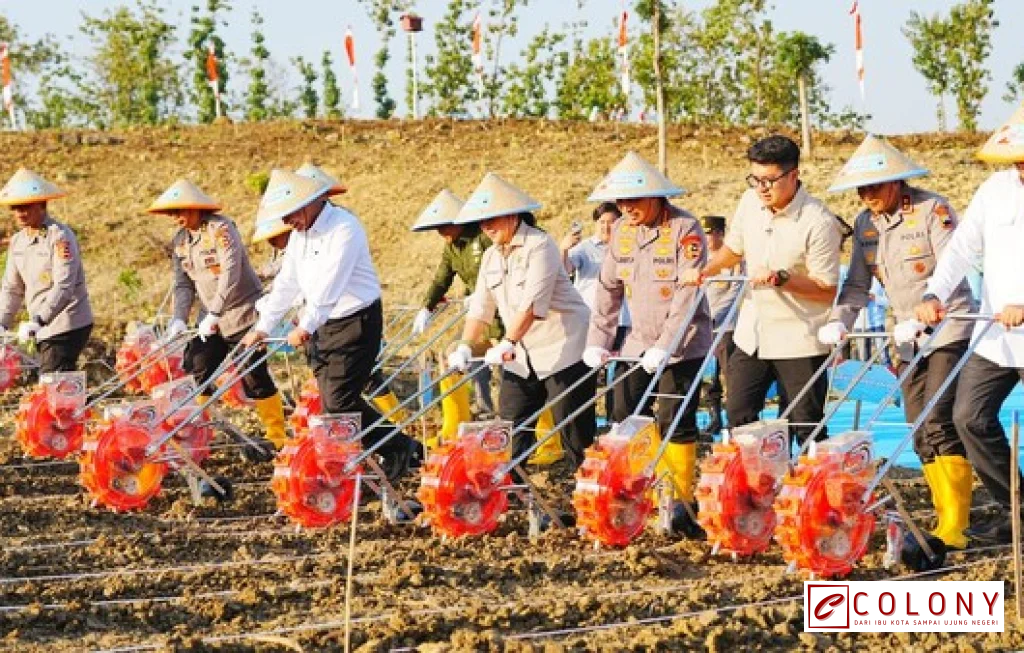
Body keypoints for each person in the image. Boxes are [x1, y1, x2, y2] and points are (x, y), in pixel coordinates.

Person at [818, 134, 976, 564]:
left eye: (874, 188)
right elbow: (856, 285)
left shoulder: (932, 210)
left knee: (939, 419)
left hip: (948, 328)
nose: (867, 196)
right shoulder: (866, 225)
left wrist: (929, 309)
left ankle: (955, 525)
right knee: (917, 425)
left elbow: (951, 267)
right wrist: (839, 322)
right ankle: (944, 511)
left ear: (896, 184)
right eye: (861, 190)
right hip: (904, 336)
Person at [241, 169, 418, 482]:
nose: (286, 222)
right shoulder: (299, 237)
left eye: (290, 214)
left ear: (309, 203)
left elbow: (329, 286)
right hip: (323, 326)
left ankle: (397, 446)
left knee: (340, 401)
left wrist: (306, 325)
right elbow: (287, 284)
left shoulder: (344, 228)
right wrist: (263, 327)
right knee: (334, 402)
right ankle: (397, 447)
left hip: (356, 321)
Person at [682, 135, 843, 446]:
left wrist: (782, 279)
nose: (761, 188)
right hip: (752, 333)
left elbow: (826, 289)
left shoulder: (818, 221)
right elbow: (734, 248)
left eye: (770, 180)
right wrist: (705, 271)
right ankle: (760, 485)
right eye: (755, 179)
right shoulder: (749, 202)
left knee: (804, 424)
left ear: (793, 175)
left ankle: (814, 488)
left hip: (799, 338)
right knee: (739, 413)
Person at [583, 151, 713, 537]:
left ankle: (681, 502)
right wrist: (598, 341)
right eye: (621, 202)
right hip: (636, 341)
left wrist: (667, 345)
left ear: (656, 197)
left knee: (675, 419)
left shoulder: (685, 229)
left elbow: (686, 295)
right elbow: (608, 290)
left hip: (684, 343)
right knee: (623, 413)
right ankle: (639, 494)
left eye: (633, 201)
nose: (627, 208)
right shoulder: (621, 230)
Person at [911, 103, 1024, 546]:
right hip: (997, 335)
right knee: (969, 416)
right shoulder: (995, 190)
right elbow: (961, 249)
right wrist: (934, 294)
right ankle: (1017, 510)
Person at [447, 173, 596, 473]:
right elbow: (481, 306)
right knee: (510, 425)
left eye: (493, 220)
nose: (487, 228)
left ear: (513, 216)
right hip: (520, 353)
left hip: (563, 347)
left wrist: (507, 342)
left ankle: (589, 491)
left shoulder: (540, 245)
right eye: (482, 222)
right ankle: (507, 489)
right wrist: (465, 344)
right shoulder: (490, 256)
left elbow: (532, 303)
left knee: (572, 427)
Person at [148, 179, 287, 449]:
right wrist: (179, 318)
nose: (176, 219)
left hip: (243, 313)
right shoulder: (180, 242)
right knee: (196, 368)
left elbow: (230, 272)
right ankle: (198, 435)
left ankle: (277, 438)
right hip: (209, 322)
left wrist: (215, 310)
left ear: (196, 208)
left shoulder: (221, 229)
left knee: (253, 375)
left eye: (181, 212)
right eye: (172, 214)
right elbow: (183, 284)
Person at [410, 189, 498, 420]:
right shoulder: (451, 248)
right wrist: (426, 306)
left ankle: (517, 418)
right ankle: (470, 412)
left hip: (501, 313)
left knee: (507, 363)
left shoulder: (483, 238)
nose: (441, 232)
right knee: (454, 352)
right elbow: (442, 278)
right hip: (479, 315)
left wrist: (482, 293)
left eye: (444, 226)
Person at [0, 168, 93, 373]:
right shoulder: (18, 242)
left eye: (26, 207)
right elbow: (12, 288)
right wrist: (2, 323)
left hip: (67, 321)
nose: (20, 213)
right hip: (41, 328)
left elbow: (64, 286)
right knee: (59, 386)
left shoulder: (59, 237)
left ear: (42, 205)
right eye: (15, 208)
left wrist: (38, 319)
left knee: (52, 382)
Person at [560, 201, 631, 418]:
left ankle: (616, 419)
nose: (606, 227)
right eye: (601, 222)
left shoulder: (629, 246)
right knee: (586, 373)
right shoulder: (584, 249)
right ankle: (585, 419)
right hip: (592, 321)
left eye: (611, 222)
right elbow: (564, 270)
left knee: (621, 375)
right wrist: (564, 248)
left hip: (622, 318)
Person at [700, 215, 743, 437]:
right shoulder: (701, 260)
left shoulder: (731, 260)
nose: (706, 238)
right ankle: (714, 416)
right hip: (704, 327)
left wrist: (716, 316)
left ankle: (732, 419)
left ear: (719, 234)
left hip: (725, 326)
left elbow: (735, 292)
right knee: (709, 376)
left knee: (730, 374)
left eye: (710, 233)